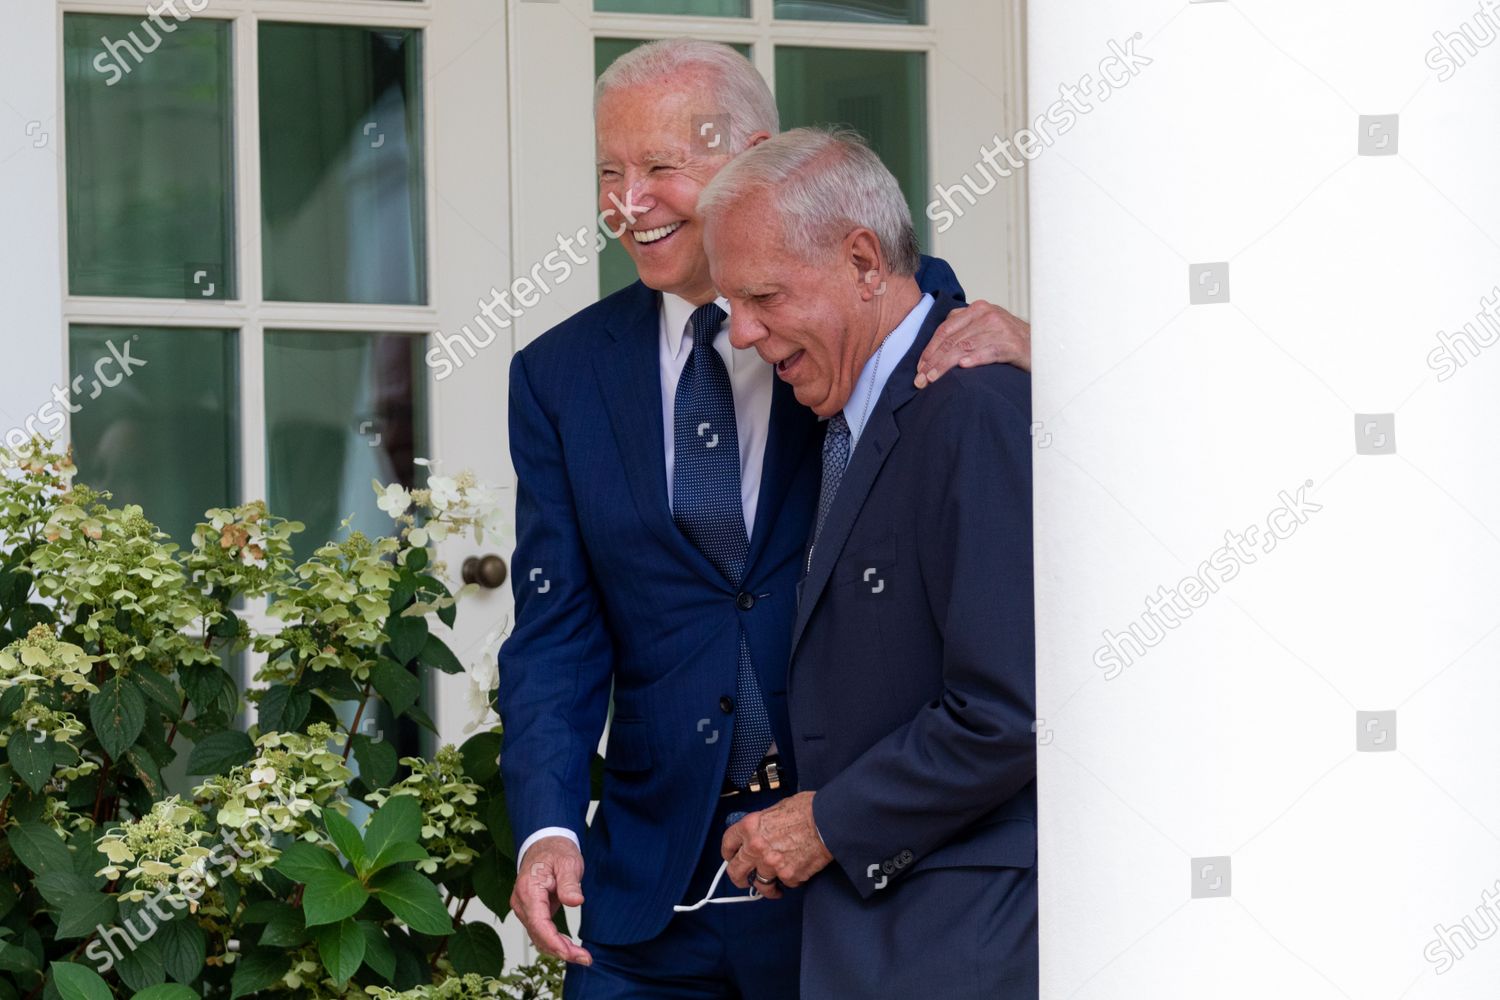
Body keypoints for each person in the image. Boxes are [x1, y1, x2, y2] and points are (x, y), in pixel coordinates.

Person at [499, 39, 1031, 998]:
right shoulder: (558, 376)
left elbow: (970, 448)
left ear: (756, 154)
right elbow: (556, 630)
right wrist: (546, 824)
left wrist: (1055, 349)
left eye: (662, 167)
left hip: (847, 881)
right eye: (609, 174)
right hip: (648, 894)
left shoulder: (903, 329)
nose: (628, 202)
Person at [704, 127, 1037, 999]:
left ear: (862, 259)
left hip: (960, 944)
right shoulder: (850, 416)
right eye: (730, 304)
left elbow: (1010, 711)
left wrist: (827, 822)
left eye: (762, 295)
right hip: (875, 941)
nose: (741, 334)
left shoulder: (975, 409)